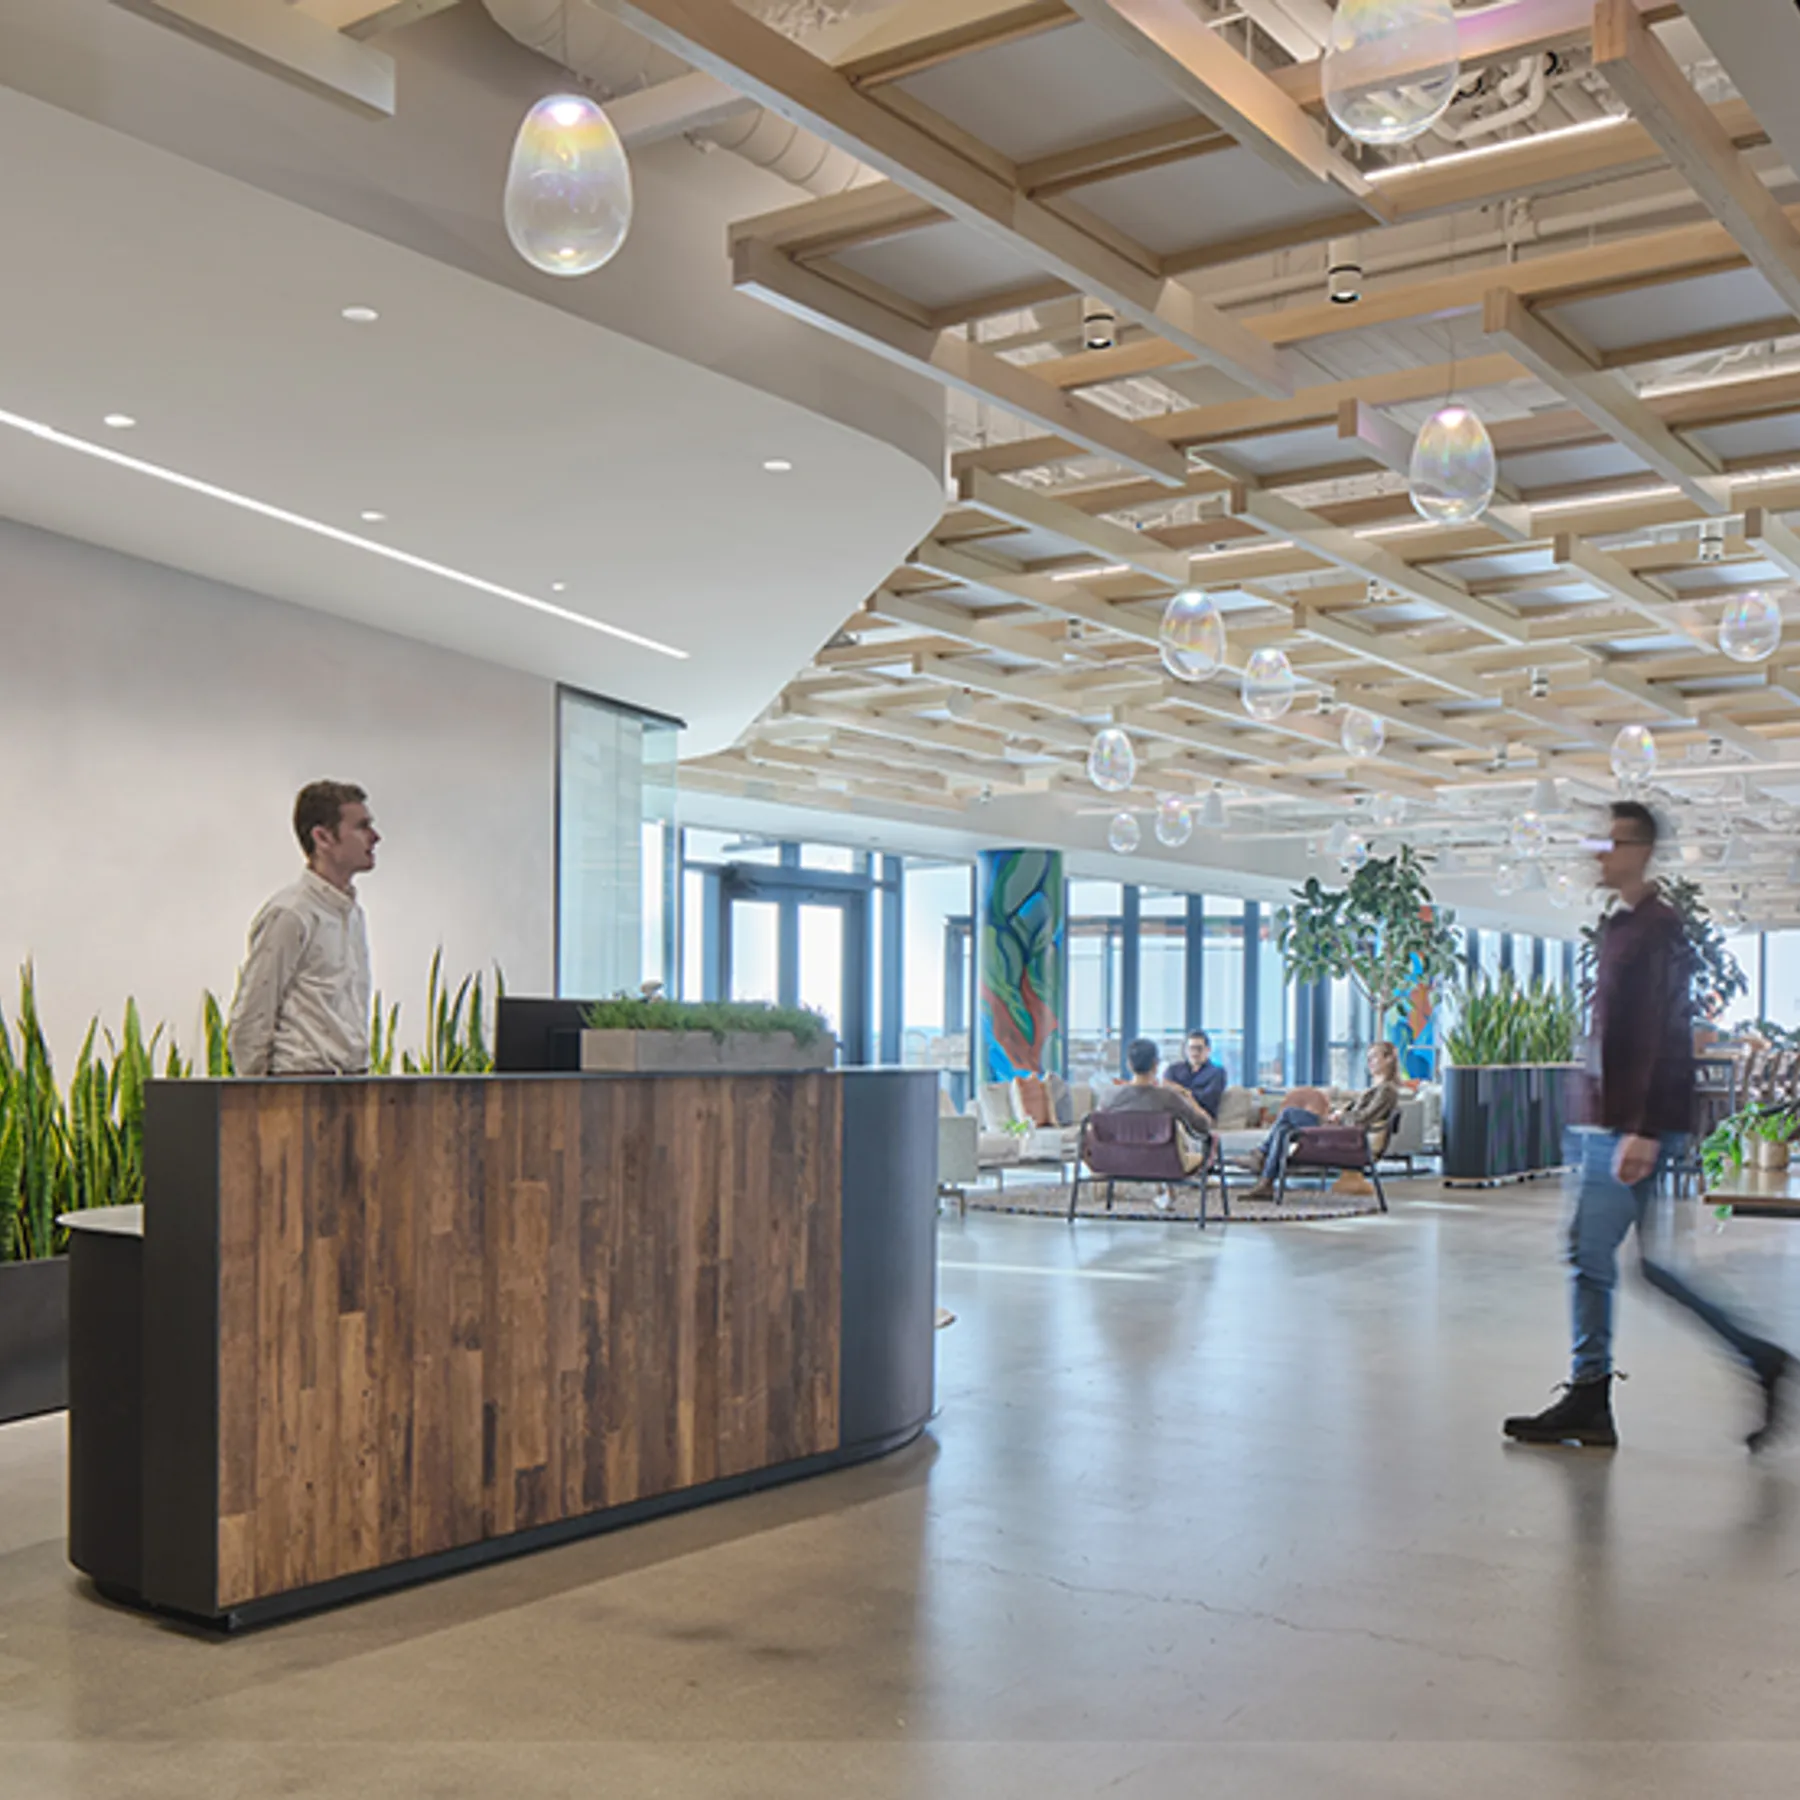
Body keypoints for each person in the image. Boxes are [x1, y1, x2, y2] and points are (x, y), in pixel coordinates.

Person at [1505, 801, 1791, 1451]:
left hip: (1629, 1129)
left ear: (1637, 849)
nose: (1596, 853)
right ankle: (1755, 1360)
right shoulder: (1623, 926)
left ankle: (1591, 1395)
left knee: (1591, 1255)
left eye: (1607, 842)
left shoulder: (1658, 929)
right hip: (1609, 1122)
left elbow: (1667, 1031)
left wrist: (1642, 1128)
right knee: (1643, 1267)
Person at [227, 780, 380, 1077]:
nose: (375, 838)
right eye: (361, 827)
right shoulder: (290, 913)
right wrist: (263, 1103)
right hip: (299, 1087)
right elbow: (252, 1018)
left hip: (353, 1085)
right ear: (323, 837)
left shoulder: (354, 914)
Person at [1242, 1040, 1401, 1202]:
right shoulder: (1376, 1088)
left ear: (1388, 1059)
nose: (1370, 1062)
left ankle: (1261, 1155)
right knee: (1283, 1130)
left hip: (1349, 1136)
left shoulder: (1387, 1090)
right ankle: (1266, 1183)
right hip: (1344, 1131)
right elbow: (1358, 1114)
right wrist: (1337, 1112)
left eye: (1374, 1057)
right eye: (1368, 1058)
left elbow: (1366, 1117)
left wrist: (1340, 1117)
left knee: (1289, 1114)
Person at [1105, 1036, 1215, 1207]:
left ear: (1129, 1064)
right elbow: (1204, 1126)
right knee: (1172, 1139)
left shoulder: (1109, 1098)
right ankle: (1166, 1193)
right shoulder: (1169, 1097)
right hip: (1166, 1164)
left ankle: (1162, 1193)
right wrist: (1188, 1098)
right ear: (1156, 1065)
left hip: (1117, 1162)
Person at [1163, 1029, 1226, 1126]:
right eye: (1191, 1048)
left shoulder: (1217, 1072)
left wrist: (1182, 1092)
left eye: (1199, 1048)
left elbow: (1208, 1098)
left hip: (1200, 1118)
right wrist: (1186, 1094)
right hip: (1174, 1115)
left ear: (1208, 1050)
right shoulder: (1173, 1069)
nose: (1195, 1052)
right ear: (1186, 1050)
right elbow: (1166, 1093)